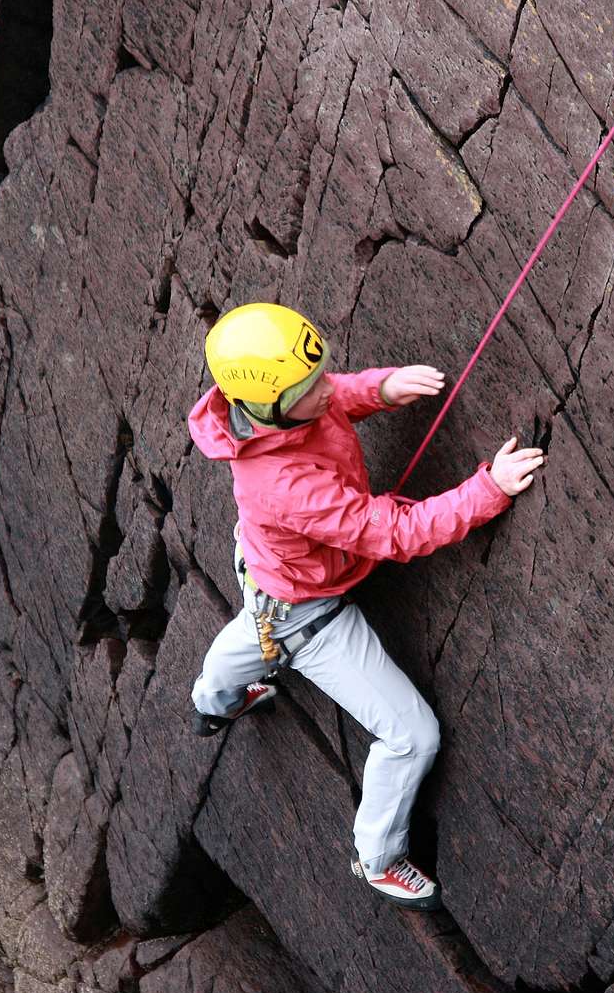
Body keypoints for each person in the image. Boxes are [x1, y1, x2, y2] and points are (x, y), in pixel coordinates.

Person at [188, 303, 544, 909]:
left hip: (268, 567)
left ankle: (214, 703)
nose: (328, 385)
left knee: (249, 636)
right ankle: (378, 856)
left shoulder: (264, 406)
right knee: (412, 736)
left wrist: (379, 388)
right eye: (311, 384)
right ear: (271, 404)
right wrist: (486, 490)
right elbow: (393, 533)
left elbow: (328, 403)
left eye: (322, 370)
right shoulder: (287, 487)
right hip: (309, 615)